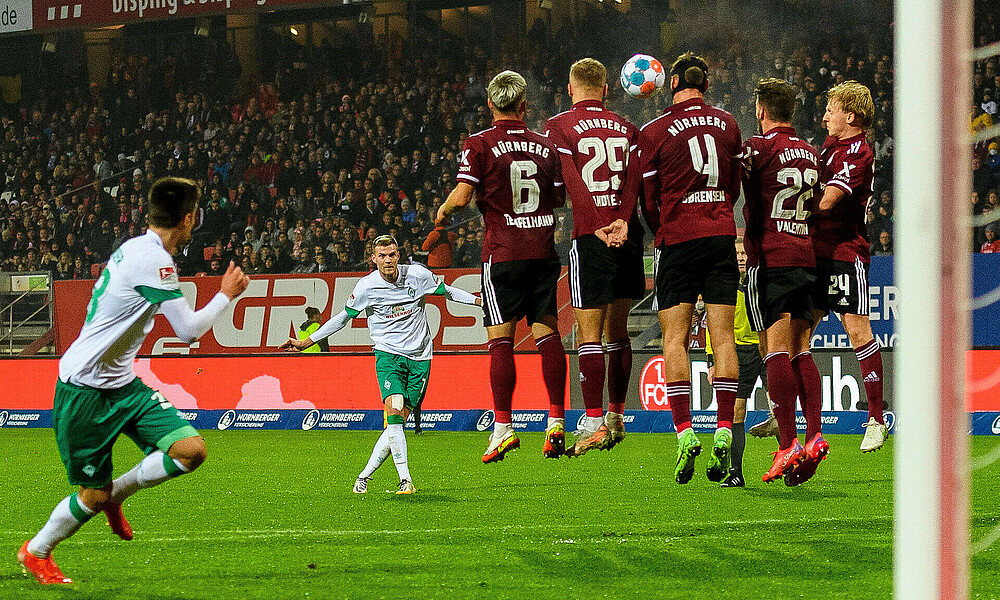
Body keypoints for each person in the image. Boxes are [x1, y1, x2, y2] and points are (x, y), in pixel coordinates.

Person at [18, 177, 250, 585]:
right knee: (92, 495)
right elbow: (189, 331)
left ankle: (117, 495)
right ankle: (36, 551)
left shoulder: (136, 248)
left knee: (190, 451)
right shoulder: (155, 261)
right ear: (189, 218)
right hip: (84, 390)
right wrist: (226, 293)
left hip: (122, 384)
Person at [279, 236, 481, 494]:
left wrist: (478, 301)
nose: (388, 260)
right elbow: (343, 318)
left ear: (398, 256)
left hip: (420, 359)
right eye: (382, 256)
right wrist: (306, 342)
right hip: (388, 356)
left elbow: (448, 291)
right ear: (373, 259)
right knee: (394, 419)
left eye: (392, 255)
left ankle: (363, 477)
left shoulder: (417, 275)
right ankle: (406, 480)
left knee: (397, 426)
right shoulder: (367, 287)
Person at [437, 69, 568, 464]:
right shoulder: (546, 146)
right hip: (542, 251)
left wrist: (443, 210)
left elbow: (462, 197)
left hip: (503, 253)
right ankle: (556, 420)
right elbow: (558, 199)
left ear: (490, 104)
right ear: (524, 105)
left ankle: (503, 428)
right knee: (548, 334)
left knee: (500, 341)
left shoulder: (479, 143)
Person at [638, 52, 743, 484]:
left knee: (674, 340)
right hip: (720, 236)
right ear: (706, 84)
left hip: (678, 240)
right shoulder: (728, 124)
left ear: (672, 82)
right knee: (723, 337)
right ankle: (724, 427)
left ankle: (684, 431)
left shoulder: (654, 130)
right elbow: (734, 186)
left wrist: (661, 230)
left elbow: (648, 199)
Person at [544, 58, 643, 456]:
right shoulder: (627, 127)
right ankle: (617, 417)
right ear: (605, 89)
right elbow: (634, 179)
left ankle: (594, 419)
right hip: (628, 234)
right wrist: (623, 219)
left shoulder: (558, 126)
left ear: (570, 89)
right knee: (619, 332)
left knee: (590, 334)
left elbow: (568, 182)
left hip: (591, 234)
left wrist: (596, 222)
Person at [740, 78, 827, 485]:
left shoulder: (757, 148)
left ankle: (788, 443)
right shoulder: (811, 153)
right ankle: (814, 436)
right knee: (801, 349)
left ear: (761, 110)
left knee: (772, 348)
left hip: (770, 257)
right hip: (805, 256)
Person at [812, 80, 888, 453]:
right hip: (814, 252)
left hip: (845, 252)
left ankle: (876, 419)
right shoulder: (828, 147)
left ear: (851, 116)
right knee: (796, 334)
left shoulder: (858, 152)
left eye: (832, 110)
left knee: (857, 330)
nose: (825, 115)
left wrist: (787, 204)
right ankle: (787, 411)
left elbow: (826, 202)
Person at [706, 237, 767, 487]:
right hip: (739, 353)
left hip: (766, 347)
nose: (741, 257)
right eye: (737, 254)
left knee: (778, 409)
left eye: (744, 253)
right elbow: (713, 326)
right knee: (736, 412)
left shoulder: (760, 280)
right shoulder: (724, 286)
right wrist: (711, 361)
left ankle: (791, 463)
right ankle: (736, 473)